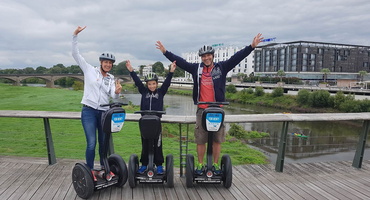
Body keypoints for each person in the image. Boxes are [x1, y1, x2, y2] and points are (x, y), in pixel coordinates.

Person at [156, 33, 263, 175]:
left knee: (217, 140)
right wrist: (165, 52)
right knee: (201, 140)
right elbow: (180, 62)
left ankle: (215, 164)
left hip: (217, 110)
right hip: (202, 109)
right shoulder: (196, 69)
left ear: (212, 56)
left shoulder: (221, 67)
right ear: (201, 58)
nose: (206, 58)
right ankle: (200, 165)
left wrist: (251, 47)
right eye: (203, 56)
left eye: (208, 55)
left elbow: (237, 57)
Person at [72, 26, 122, 181]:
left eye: (110, 63)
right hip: (89, 112)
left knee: (103, 143)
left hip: (104, 113)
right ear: (101, 62)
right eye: (106, 62)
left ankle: (104, 168)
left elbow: (113, 96)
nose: (108, 65)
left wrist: (118, 92)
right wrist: (75, 36)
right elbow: (76, 54)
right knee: (91, 143)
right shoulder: (89, 70)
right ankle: (90, 170)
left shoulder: (111, 78)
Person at [126, 60, 176, 174]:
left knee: (157, 144)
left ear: (157, 83)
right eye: (149, 84)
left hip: (156, 122)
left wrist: (171, 72)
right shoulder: (144, 92)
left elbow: (167, 83)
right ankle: (144, 164)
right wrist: (131, 71)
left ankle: (158, 164)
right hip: (144, 122)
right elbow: (137, 82)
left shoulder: (161, 92)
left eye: (153, 83)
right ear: (147, 84)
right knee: (145, 144)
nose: (152, 86)